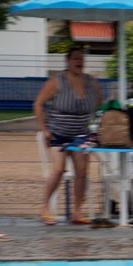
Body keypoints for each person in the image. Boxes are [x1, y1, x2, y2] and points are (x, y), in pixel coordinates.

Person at [33, 46, 102, 226]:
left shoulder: (91, 82)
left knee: (82, 171)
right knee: (58, 169)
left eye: (81, 59)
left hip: (81, 134)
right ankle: (44, 208)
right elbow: (38, 104)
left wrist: (91, 119)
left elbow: (98, 102)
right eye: (75, 58)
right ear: (68, 61)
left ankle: (77, 211)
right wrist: (44, 129)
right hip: (58, 133)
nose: (79, 62)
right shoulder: (56, 82)